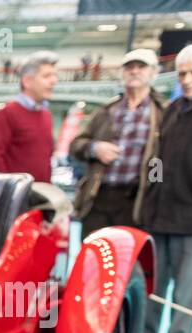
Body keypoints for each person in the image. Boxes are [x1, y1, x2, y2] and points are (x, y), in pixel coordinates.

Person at [139, 41, 192, 333]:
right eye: (182, 73)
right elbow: (158, 159)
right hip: (161, 212)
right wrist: (152, 192)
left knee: (186, 287)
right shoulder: (172, 111)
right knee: (156, 281)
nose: (188, 79)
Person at [70, 49, 164, 241]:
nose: (134, 71)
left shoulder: (163, 113)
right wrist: (95, 148)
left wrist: (155, 188)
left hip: (136, 202)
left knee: (131, 264)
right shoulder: (106, 111)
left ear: (154, 72)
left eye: (141, 67)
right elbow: (76, 145)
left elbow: (164, 159)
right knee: (93, 260)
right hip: (98, 197)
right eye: (129, 67)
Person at [0, 51, 58, 182]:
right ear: (27, 81)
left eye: (54, 75)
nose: (54, 81)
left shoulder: (46, 116)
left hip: (41, 196)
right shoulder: (4, 116)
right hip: (16, 199)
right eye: (47, 76)